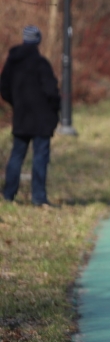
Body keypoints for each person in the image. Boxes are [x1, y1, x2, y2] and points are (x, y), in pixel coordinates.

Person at [1, 25, 60, 206]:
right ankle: (39, 198)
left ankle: (8, 195)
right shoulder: (41, 63)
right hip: (42, 120)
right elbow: (51, 92)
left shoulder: (12, 63)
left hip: (21, 118)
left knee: (17, 155)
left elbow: (3, 89)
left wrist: (16, 104)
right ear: (38, 41)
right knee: (40, 157)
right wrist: (54, 110)